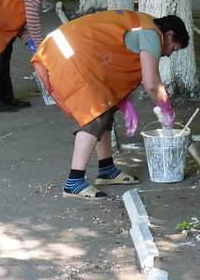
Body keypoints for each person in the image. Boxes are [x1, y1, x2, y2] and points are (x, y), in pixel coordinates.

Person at [31, 11, 190, 200]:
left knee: (105, 107)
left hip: (71, 51)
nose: (170, 54)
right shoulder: (151, 34)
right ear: (169, 35)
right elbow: (152, 83)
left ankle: (106, 170)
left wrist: (123, 103)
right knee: (93, 115)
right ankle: (73, 182)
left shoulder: (145, 22)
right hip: (70, 55)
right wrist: (166, 109)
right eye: (174, 48)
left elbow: (113, 56)